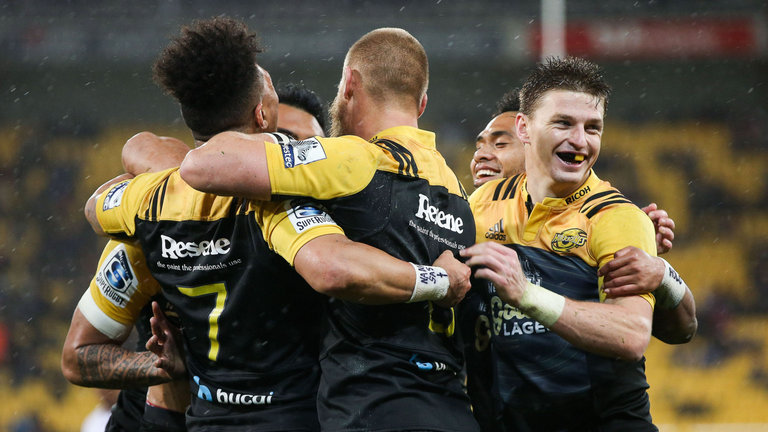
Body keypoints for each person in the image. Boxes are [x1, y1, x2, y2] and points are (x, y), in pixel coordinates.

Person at [84, 18, 471, 431]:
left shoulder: (149, 203)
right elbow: (331, 266)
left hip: (222, 417)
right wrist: (439, 280)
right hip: (429, 403)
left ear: (349, 85)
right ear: (262, 113)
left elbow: (97, 206)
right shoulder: (460, 196)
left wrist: (165, 181)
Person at [459, 57, 695, 431]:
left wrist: (527, 294)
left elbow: (631, 334)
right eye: (563, 123)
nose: (580, 140)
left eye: (593, 128)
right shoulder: (483, 204)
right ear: (525, 127)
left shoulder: (616, 216)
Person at [470, 89, 696, 345]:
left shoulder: (608, 216)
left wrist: (663, 275)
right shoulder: (476, 207)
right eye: (479, 145)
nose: (481, 156)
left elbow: (676, 331)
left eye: (500, 144)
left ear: (528, 138)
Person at [61, 238, 189, 432]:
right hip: (149, 411)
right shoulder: (139, 247)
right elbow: (75, 358)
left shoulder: (248, 241)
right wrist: (159, 365)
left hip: (232, 408)